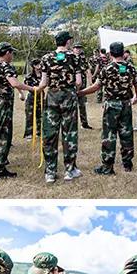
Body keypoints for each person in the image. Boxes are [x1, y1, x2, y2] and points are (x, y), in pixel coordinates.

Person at [80, 40, 137, 175]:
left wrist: (81, 92)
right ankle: (127, 164)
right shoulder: (130, 67)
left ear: (110, 53)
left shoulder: (107, 68)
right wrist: (136, 96)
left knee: (109, 135)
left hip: (111, 105)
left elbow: (96, 86)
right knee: (126, 133)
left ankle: (107, 166)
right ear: (123, 53)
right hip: (126, 104)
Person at [0, 41, 36, 179]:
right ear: (7, 53)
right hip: (2, 104)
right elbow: (14, 83)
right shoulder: (6, 66)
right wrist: (32, 89)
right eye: (12, 53)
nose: (12, 56)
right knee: (3, 135)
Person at [38, 31, 82, 184]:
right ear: (68, 42)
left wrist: (35, 90)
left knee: (50, 134)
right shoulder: (74, 57)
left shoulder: (46, 58)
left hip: (52, 97)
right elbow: (78, 82)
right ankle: (70, 170)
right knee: (69, 133)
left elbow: (43, 83)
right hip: (69, 97)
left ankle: (50, 172)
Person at [21, 58, 43, 138]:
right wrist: (21, 94)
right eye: (38, 64)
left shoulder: (43, 75)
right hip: (31, 97)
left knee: (40, 116)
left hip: (41, 97)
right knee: (29, 116)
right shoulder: (29, 76)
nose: (40, 66)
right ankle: (29, 134)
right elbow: (24, 86)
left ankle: (39, 132)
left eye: (40, 64)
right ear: (34, 66)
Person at [73, 43, 92, 130]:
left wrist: (90, 82)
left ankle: (84, 123)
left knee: (82, 104)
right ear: (73, 49)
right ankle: (72, 124)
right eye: (76, 48)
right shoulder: (69, 57)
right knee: (72, 106)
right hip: (72, 84)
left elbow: (88, 70)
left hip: (82, 85)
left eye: (79, 48)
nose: (78, 49)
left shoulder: (83, 59)